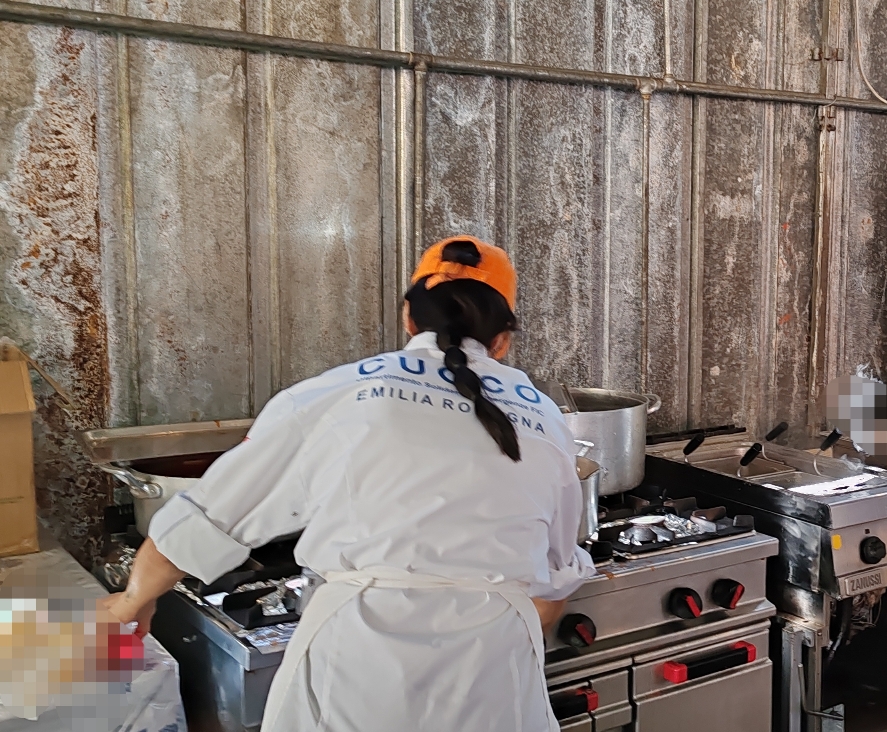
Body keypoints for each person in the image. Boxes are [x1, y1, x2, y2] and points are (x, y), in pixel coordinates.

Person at [100, 236, 594, 732]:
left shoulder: (336, 392)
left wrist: (132, 601)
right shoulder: (547, 419)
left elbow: (212, 516)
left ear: (408, 316)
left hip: (358, 660)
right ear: (502, 339)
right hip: (494, 673)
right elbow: (554, 580)